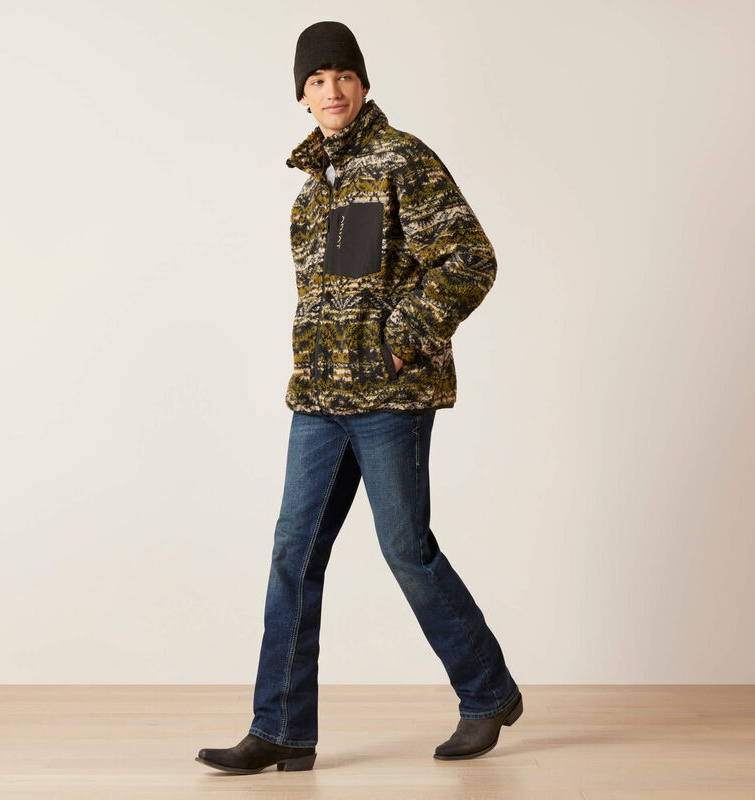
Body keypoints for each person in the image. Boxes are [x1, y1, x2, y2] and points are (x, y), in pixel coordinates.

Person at [196, 20, 522, 776]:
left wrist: (402, 338)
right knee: (293, 555)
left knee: (405, 549)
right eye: (316, 80)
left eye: (342, 75)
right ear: (302, 97)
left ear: (363, 84)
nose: (331, 90)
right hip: (318, 402)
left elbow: (470, 257)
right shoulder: (311, 195)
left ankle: (488, 692)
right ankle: (281, 729)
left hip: (390, 398)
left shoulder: (404, 158)